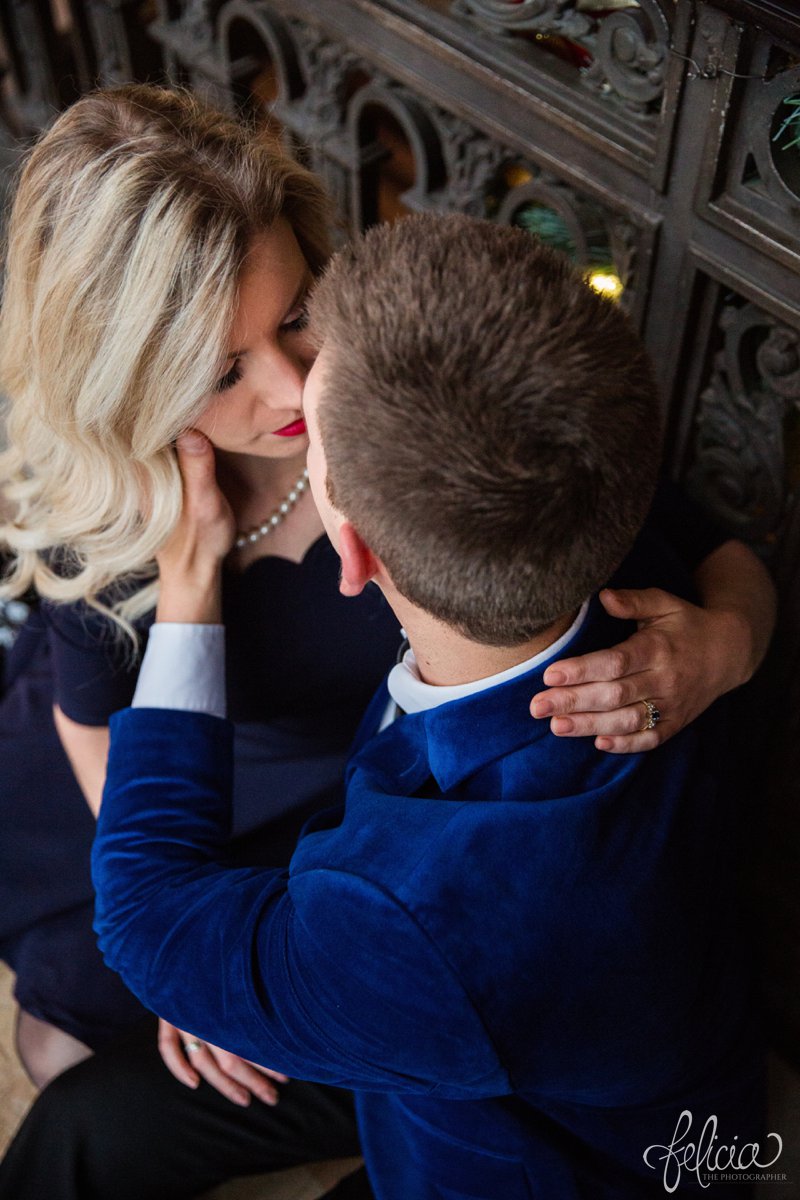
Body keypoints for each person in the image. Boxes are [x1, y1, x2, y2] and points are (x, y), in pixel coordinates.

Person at [0, 86, 773, 1198]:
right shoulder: (122, 502)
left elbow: (707, 546)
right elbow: (99, 737)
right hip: (232, 824)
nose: (293, 392)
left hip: (401, 889)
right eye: (221, 371)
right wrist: (208, 963)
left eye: (297, 314)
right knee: (66, 1056)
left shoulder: (426, 424)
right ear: (127, 382)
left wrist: (722, 646)